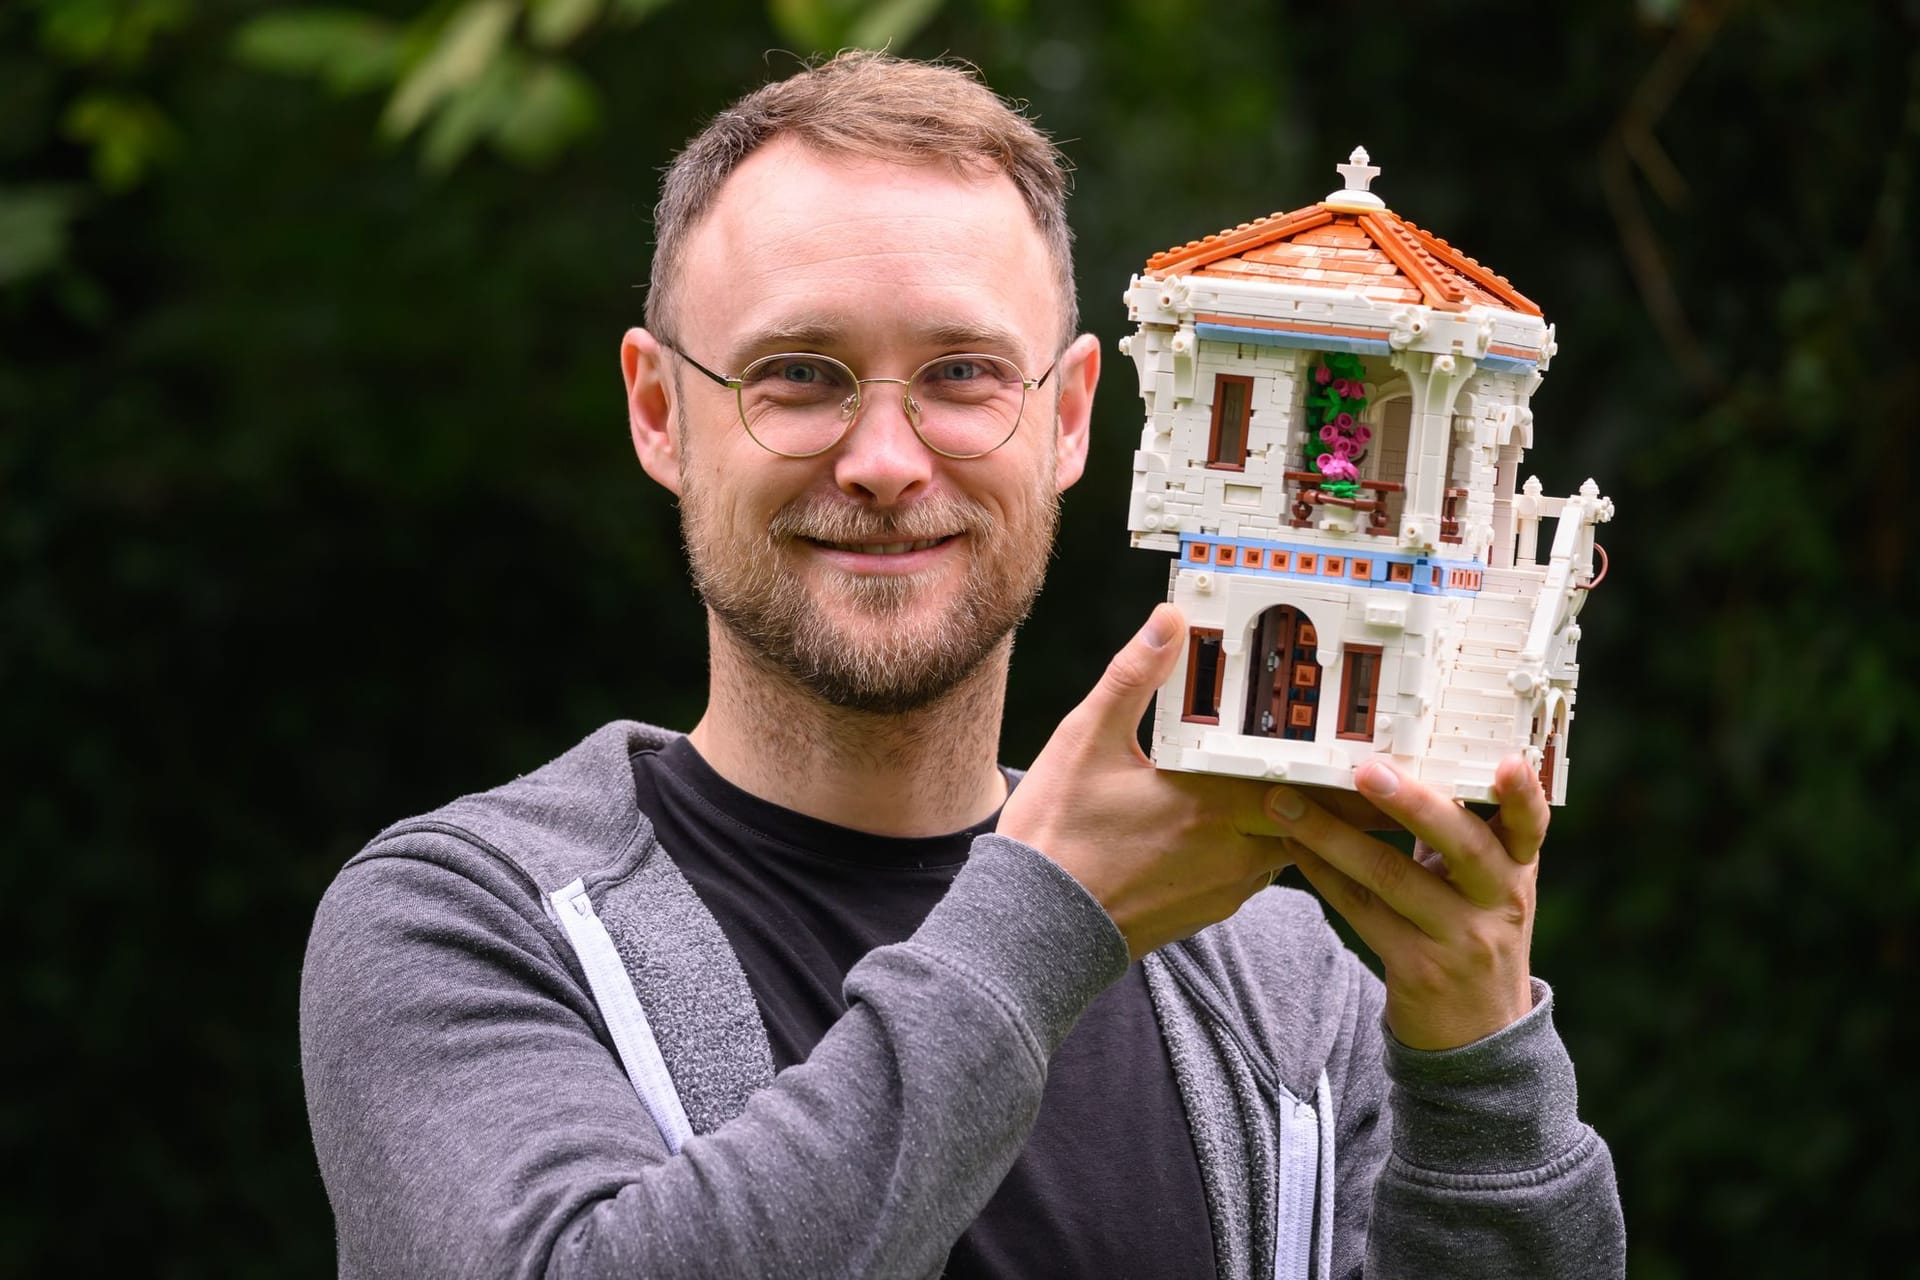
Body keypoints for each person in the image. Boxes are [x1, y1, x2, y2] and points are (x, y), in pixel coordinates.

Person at [300, 51, 1625, 1279]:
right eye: (801, 375)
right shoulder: (466, 924)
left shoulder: (1273, 978)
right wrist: (1042, 925)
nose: (884, 461)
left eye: (963, 375)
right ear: (660, 413)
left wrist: (1477, 1053)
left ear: (1068, 419)